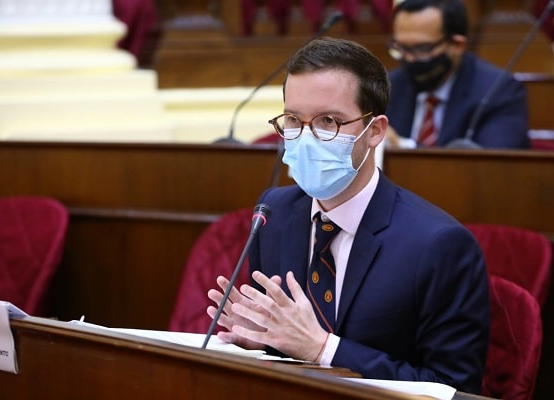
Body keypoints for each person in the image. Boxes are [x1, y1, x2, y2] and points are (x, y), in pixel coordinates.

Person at [207, 36, 490, 394]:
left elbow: (454, 389)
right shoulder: (274, 212)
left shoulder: (439, 245)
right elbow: (286, 347)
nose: (306, 137)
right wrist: (264, 341)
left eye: (328, 121)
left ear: (375, 132)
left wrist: (324, 349)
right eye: (293, 119)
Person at [385, 0, 530, 149]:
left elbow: (494, 160)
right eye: (401, 48)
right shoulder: (388, 87)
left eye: (422, 49)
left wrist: (403, 146)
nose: (409, 59)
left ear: (457, 45)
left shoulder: (499, 92)